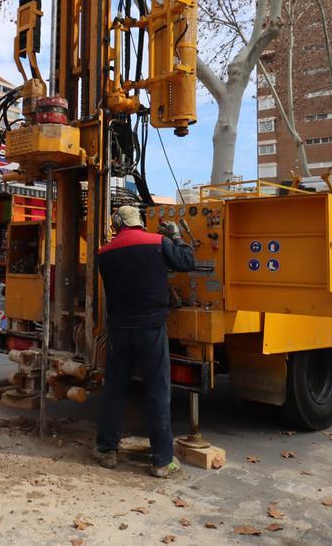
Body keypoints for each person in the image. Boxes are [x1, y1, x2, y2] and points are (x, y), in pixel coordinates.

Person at [93, 205, 195, 478]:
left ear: (116, 224)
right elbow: (187, 262)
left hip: (119, 329)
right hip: (150, 328)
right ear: (139, 221)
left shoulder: (104, 253)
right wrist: (176, 236)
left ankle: (106, 450)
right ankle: (162, 461)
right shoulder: (157, 242)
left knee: (115, 389)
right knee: (157, 391)